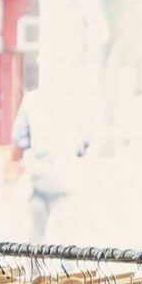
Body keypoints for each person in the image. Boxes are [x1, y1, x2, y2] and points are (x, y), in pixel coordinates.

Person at [9, 84, 87, 242]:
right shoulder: (74, 99)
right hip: (65, 179)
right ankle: (67, 266)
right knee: (67, 237)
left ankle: (35, 266)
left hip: (39, 176)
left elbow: (18, 137)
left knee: (36, 234)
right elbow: (84, 142)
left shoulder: (31, 100)